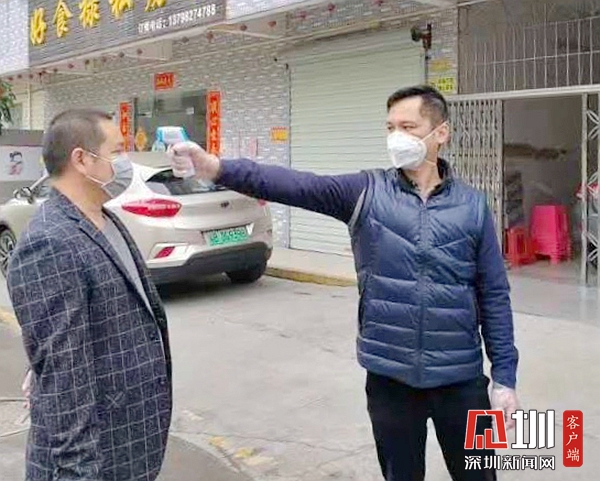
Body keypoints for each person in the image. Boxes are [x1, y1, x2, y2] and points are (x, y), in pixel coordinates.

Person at [170, 85, 519, 481]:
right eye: (390, 127)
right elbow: (295, 185)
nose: (396, 137)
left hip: (461, 378)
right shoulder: (366, 192)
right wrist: (214, 167)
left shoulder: (472, 206)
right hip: (390, 377)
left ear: (441, 133)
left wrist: (504, 378)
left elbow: (493, 294)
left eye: (408, 127)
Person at [8, 109, 173, 481]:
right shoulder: (50, 244)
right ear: (81, 159)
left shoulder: (105, 218)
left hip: (129, 447)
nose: (125, 162)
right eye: (117, 151)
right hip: (94, 462)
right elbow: (64, 380)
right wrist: (78, 472)